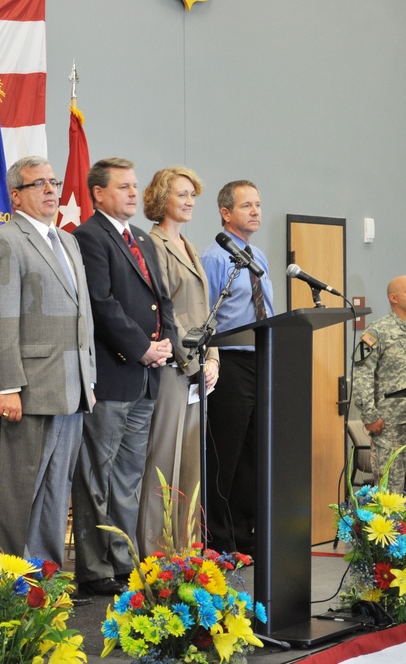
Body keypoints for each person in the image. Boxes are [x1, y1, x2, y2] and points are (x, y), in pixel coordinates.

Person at [0, 155, 95, 565]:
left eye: (53, 181)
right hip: (27, 390)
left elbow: (84, 315)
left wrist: (88, 376)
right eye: (38, 184)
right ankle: (11, 582)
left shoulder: (68, 240)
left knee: (56, 492)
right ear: (16, 196)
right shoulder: (4, 240)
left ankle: (45, 578)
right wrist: (7, 386)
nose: (50, 190)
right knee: (21, 491)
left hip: (71, 387)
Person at [71, 158, 176, 594]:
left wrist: (167, 343)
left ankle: (124, 561)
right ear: (98, 193)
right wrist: (141, 348)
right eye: (124, 186)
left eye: (135, 186)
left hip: (146, 376)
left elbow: (160, 298)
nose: (134, 193)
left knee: (129, 475)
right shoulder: (88, 237)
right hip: (113, 374)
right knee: (97, 474)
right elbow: (101, 303)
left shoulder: (139, 239)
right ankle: (95, 570)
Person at [139, 166, 219, 556]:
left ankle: (188, 548)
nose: (189, 201)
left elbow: (205, 310)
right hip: (174, 367)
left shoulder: (189, 244)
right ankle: (157, 550)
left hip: (198, 366)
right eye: (181, 194)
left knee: (191, 461)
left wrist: (214, 357)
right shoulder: (153, 244)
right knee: (164, 461)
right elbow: (168, 310)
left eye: (192, 195)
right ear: (160, 199)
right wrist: (194, 360)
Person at [200, 180, 274, 554]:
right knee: (224, 456)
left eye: (258, 204)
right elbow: (205, 316)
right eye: (247, 206)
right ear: (226, 213)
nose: (256, 211)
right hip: (227, 362)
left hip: (261, 360)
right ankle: (219, 541)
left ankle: (246, 538)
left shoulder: (257, 256)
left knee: (252, 455)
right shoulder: (214, 259)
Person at [353, 276, 406, 493]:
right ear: (393, 298)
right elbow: (362, 373)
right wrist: (370, 415)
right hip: (391, 425)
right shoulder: (376, 332)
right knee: (390, 493)